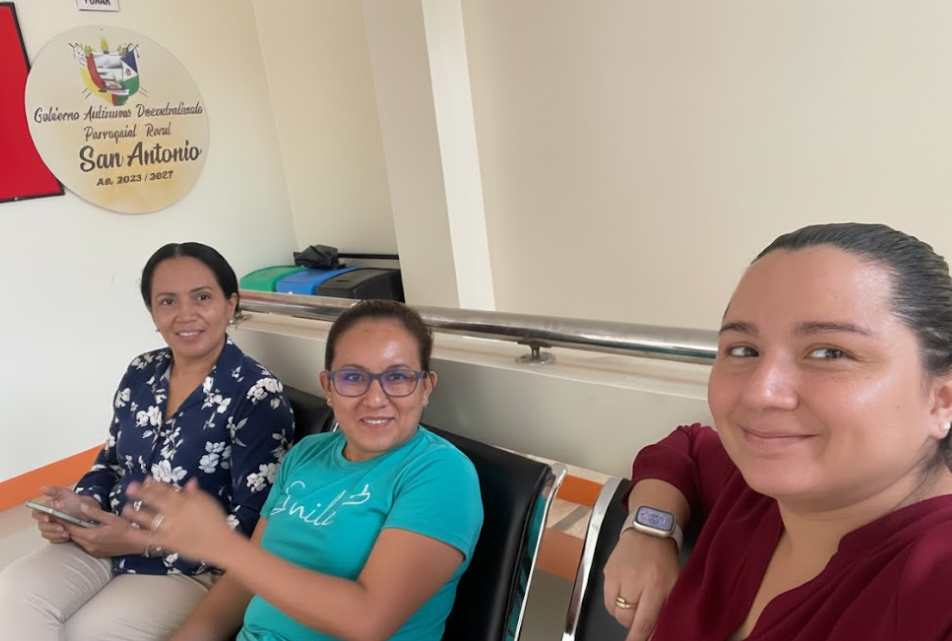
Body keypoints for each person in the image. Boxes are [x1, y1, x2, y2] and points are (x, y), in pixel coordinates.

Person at [603, 222, 952, 641]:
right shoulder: (752, 493)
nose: (759, 392)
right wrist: (650, 531)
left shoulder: (934, 587)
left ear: (942, 400)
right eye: (744, 350)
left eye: (829, 352)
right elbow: (686, 448)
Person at [122, 299, 484, 641]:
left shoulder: (442, 474)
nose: (375, 398)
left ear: (425, 388)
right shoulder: (306, 454)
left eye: (398, 377)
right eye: (353, 377)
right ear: (328, 387)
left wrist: (223, 546)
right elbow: (242, 582)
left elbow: (368, 620)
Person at [0, 242, 295, 641]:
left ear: (230, 304)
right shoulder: (142, 371)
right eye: (167, 301)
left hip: (189, 565)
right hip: (107, 535)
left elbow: (253, 521)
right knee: (12, 594)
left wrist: (142, 541)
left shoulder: (258, 394)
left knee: (92, 632)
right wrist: (82, 506)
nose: (185, 314)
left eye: (202, 297)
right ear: (153, 314)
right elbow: (112, 460)